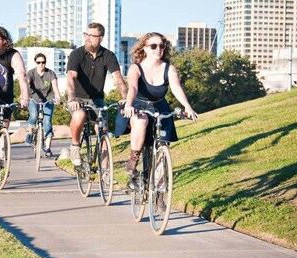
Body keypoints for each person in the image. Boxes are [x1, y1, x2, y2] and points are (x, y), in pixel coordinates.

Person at [116, 32, 198, 175]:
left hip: (160, 107)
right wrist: (128, 105)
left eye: (161, 45)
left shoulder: (169, 68)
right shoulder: (136, 68)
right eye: (153, 46)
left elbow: (176, 88)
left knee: (162, 144)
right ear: (145, 48)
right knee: (141, 121)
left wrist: (187, 106)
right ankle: (133, 160)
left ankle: (159, 190)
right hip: (138, 105)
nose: (158, 49)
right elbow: (133, 88)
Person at [66, 22, 127, 166]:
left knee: (103, 131)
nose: (87, 38)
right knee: (79, 115)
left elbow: (118, 79)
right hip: (78, 98)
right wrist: (72, 98)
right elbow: (71, 77)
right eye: (86, 34)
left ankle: (105, 172)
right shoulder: (77, 54)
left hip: (97, 100)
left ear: (100, 38)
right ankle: (75, 146)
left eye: (91, 35)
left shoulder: (108, 56)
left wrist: (126, 97)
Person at [24, 53, 61, 158]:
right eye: (39, 62)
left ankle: (48, 148)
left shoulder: (50, 73)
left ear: (45, 63)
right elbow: (26, 83)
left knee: (47, 123)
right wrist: (25, 95)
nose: (41, 64)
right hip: (33, 99)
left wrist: (58, 97)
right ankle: (30, 133)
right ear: (36, 63)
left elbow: (55, 86)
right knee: (34, 115)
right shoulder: (31, 73)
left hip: (48, 100)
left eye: (43, 62)